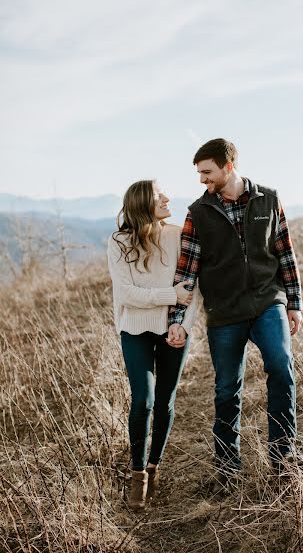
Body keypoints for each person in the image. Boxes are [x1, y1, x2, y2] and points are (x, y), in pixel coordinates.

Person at [168, 138, 303, 477]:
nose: (202, 180)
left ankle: (283, 458)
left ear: (228, 167)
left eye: (207, 172)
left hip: (267, 302)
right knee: (228, 388)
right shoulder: (198, 214)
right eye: (199, 173)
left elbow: (285, 253)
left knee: (281, 367)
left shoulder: (269, 200)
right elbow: (186, 271)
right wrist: (177, 320)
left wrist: (295, 303)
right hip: (225, 313)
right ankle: (227, 466)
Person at [107, 180, 197, 510]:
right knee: (143, 399)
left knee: (165, 400)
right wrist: (168, 297)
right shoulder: (118, 242)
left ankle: (154, 466)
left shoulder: (176, 235)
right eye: (160, 195)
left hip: (173, 330)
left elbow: (192, 286)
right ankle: (137, 475)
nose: (167, 198)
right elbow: (127, 294)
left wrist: (183, 326)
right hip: (134, 330)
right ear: (143, 203)